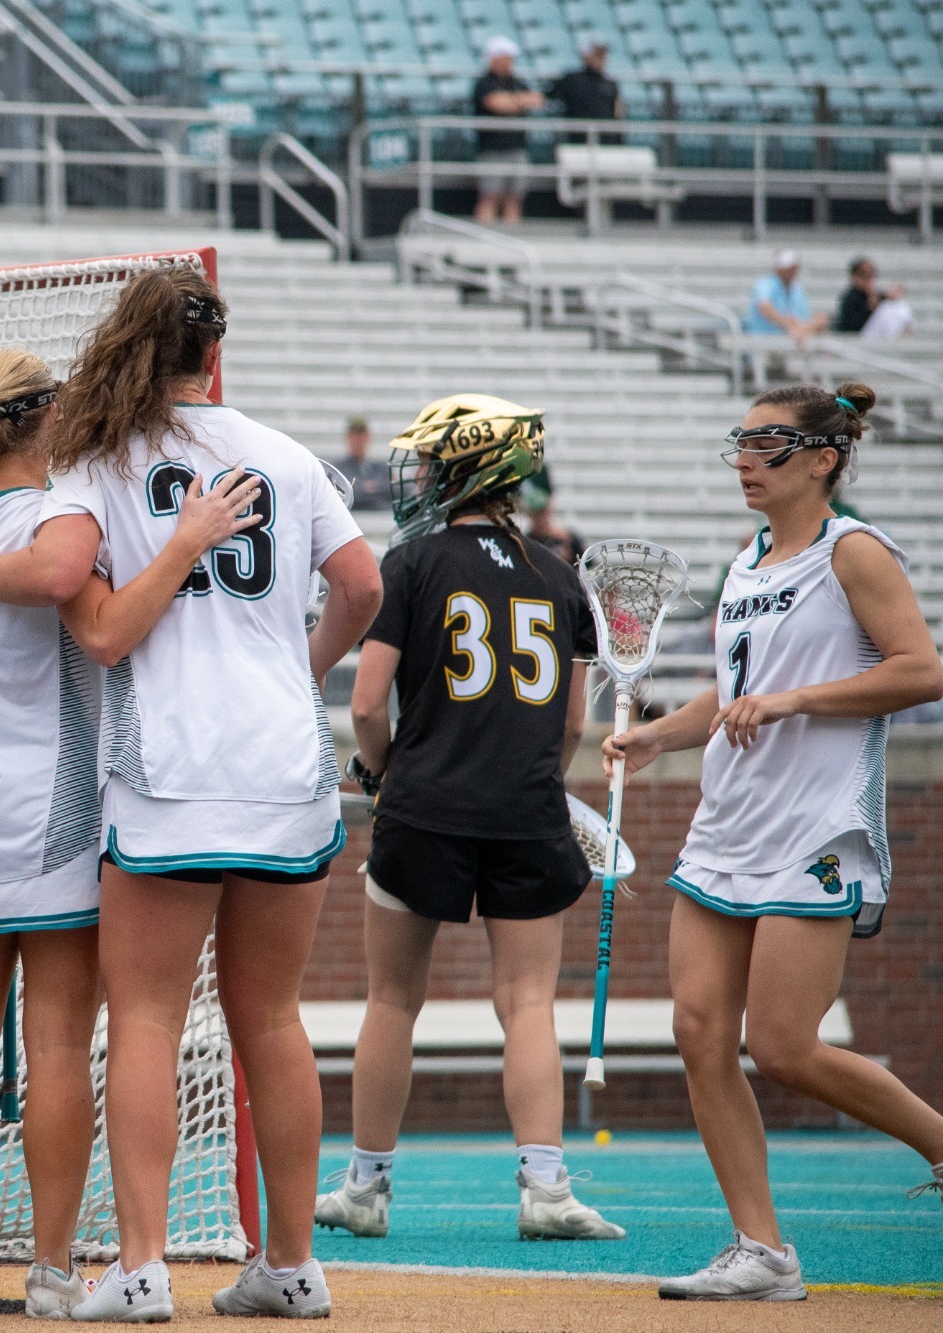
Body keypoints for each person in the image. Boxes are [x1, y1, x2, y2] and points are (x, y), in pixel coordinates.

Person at [0, 266, 382, 1321]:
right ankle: (292, 1264)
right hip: (280, 763)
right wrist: (297, 668)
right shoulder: (285, 453)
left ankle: (140, 1265)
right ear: (212, 354)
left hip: (168, 768)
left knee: (149, 1022)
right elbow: (361, 588)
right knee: (273, 1019)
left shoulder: (92, 461)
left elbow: (103, 629)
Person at [605, 382, 943, 1301]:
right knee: (698, 1028)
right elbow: (733, 689)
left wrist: (796, 701)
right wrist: (661, 733)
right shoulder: (748, 561)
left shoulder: (856, 551)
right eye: (740, 443)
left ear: (824, 457)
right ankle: (762, 1251)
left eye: (769, 444)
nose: (746, 460)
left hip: (813, 824)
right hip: (728, 823)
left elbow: (921, 670)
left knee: (787, 1045)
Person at [325, 394, 623, 1247]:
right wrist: (531, 782)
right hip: (527, 808)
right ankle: (545, 1184)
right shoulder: (559, 575)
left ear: (469, 466)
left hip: (423, 804)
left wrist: (378, 775)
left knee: (392, 998)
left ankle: (368, 1186)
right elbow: (572, 724)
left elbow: (371, 702)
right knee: (529, 1001)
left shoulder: (413, 563)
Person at [472, 37, 543, 226]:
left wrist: (511, 101)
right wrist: (520, 102)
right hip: (492, 150)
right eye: (505, 57)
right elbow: (494, 103)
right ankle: (483, 237)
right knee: (490, 196)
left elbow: (536, 100)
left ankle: (512, 235)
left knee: (514, 197)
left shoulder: (517, 82)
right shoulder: (484, 82)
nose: (509, 62)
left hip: (517, 148)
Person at [547, 37, 623, 141]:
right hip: (576, 141)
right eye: (597, 55)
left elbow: (616, 113)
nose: (601, 59)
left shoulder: (610, 84)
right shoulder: (571, 79)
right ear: (586, 56)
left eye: (603, 55)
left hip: (605, 142)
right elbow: (548, 98)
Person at [744, 250, 827, 344]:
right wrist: (789, 325)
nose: (791, 271)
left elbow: (803, 317)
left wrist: (804, 328)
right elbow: (764, 307)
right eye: (788, 268)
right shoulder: (765, 284)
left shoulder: (797, 290)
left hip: (787, 345)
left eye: (793, 268)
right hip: (764, 343)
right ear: (778, 269)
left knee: (821, 319)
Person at [836, 257, 914, 342]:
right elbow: (851, 324)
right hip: (860, 336)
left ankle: (902, 335)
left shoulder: (876, 295)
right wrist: (870, 306)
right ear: (855, 277)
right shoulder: (850, 297)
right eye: (864, 275)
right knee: (887, 308)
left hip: (876, 334)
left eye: (871, 275)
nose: (868, 279)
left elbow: (888, 297)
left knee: (898, 305)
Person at [518, 465, 584, 565]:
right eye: (535, 512)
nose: (539, 517)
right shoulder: (525, 543)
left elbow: (588, 568)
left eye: (542, 511)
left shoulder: (567, 538)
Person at [341, 416, 391, 511]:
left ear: (368, 437)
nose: (358, 440)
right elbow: (347, 494)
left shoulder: (379, 467)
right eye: (354, 436)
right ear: (348, 438)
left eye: (361, 436)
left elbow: (395, 489)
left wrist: (367, 488)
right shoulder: (339, 468)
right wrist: (375, 488)